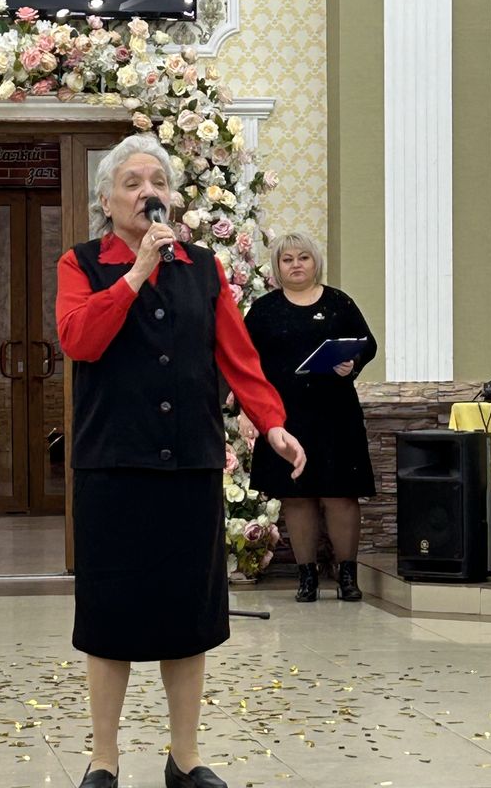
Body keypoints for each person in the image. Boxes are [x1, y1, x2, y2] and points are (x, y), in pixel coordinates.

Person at [55, 134, 306, 788]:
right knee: (110, 617)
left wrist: (272, 423)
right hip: (113, 465)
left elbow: (237, 355)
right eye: (133, 182)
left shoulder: (203, 267)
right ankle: (104, 759)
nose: (149, 192)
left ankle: (185, 758)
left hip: (190, 465)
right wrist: (136, 273)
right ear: (107, 202)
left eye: (158, 182)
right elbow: (80, 340)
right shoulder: (81, 264)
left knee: (188, 616)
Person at [238, 232, 377, 603]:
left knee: (340, 495)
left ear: (316, 262)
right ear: (277, 267)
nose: (296, 265)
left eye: (303, 257)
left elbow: (367, 345)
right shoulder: (264, 310)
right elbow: (245, 362)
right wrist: (248, 410)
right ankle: (307, 577)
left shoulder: (339, 303)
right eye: (287, 259)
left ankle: (347, 576)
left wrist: (351, 363)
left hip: (336, 414)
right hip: (284, 418)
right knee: (296, 496)